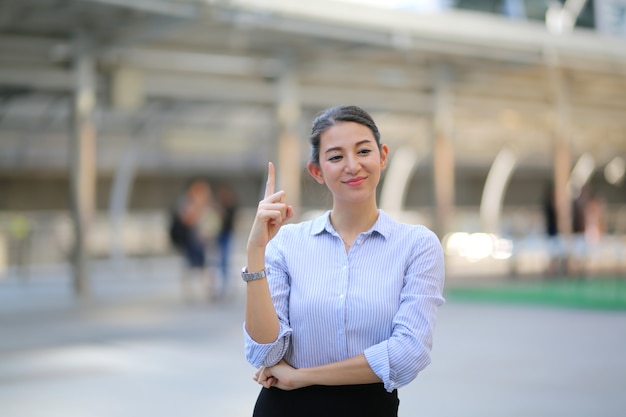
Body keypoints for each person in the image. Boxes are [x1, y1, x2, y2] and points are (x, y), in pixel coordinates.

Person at [242, 105, 445, 417]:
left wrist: (302, 377)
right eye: (336, 157)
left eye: (363, 151)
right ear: (317, 171)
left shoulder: (416, 245)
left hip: (369, 408)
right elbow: (266, 351)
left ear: (382, 156)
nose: (353, 165)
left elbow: (407, 354)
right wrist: (256, 252)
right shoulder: (287, 243)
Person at [169, 178, 217, 301]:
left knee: (207, 267)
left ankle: (207, 293)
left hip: (204, 241)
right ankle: (192, 293)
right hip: (191, 241)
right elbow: (186, 220)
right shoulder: (187, 204)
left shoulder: (207, 206)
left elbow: (212, 223)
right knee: (192, 267)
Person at [216, 183, 239, 299]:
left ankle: (226, 287)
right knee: (219, 262)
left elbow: (230, 221)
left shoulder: (230, 207)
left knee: (225, 262)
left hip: (227, 235)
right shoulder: (219, 206)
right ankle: (221, 287)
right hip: (219, 236)